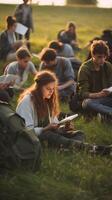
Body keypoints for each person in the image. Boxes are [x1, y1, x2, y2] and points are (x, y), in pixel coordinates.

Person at [16, 70, 112, 155]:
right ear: (38, 87)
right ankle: (96, 149)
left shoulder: (47, 100)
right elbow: (26, 131)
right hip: (33, 138)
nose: (51, 92)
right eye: (48, 89)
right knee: (49, 135)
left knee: (79, 134)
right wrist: (45, 128)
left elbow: (53, 123)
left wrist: (63, 127)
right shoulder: (27, 101)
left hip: (48, 134)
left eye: (53, 89)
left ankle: (66, 150)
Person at [77, 40, 112, 119]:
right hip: (94, 99)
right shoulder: (85, 68)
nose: (102, 59)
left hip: (108, 98)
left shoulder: (108, 66)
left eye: (104, 57)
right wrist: (98, 95)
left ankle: (105, 115)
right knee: (87, 103)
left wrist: (109, 90)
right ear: (93, 55)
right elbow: (82, 93)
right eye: (99, 57)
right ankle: (107, 113)